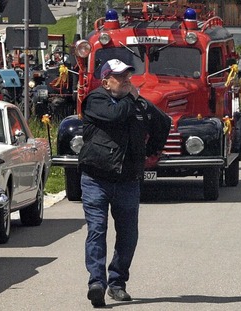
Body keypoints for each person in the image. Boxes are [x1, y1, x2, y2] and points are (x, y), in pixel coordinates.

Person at [79, 59, 170, 308]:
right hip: (96, 178)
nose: (127, 80)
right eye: (120, 77)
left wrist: (150, 151)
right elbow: (116, 115)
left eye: (129, 76)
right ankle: (96, 283)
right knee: (97, 230)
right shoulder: (96, 100)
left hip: (128, 180)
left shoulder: (137, 104)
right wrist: (133, 98)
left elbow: (163, 123)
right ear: (106, 81)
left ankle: (117, 283)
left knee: (128, 235)